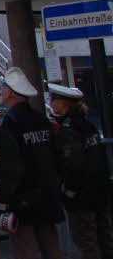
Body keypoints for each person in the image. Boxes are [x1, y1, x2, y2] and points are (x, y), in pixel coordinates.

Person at [0, 67, 63, 259]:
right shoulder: (41, 119)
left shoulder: (11, 123)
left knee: (25, 246)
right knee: (50, 242)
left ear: (9, 93)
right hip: (47, 192)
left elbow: (10, 166)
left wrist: (4, 201)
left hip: (23, 197)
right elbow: (56, 154)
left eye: (3, 88)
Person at [50, 83, 113, 259]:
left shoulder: (69, 131)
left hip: (82, 198)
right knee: (105, 238)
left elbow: (73, 165)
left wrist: (69, 192)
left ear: (65, 104)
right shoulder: (88, 126)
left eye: (55, 100)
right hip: (100, 193)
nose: (52, 103)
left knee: (87, 241)